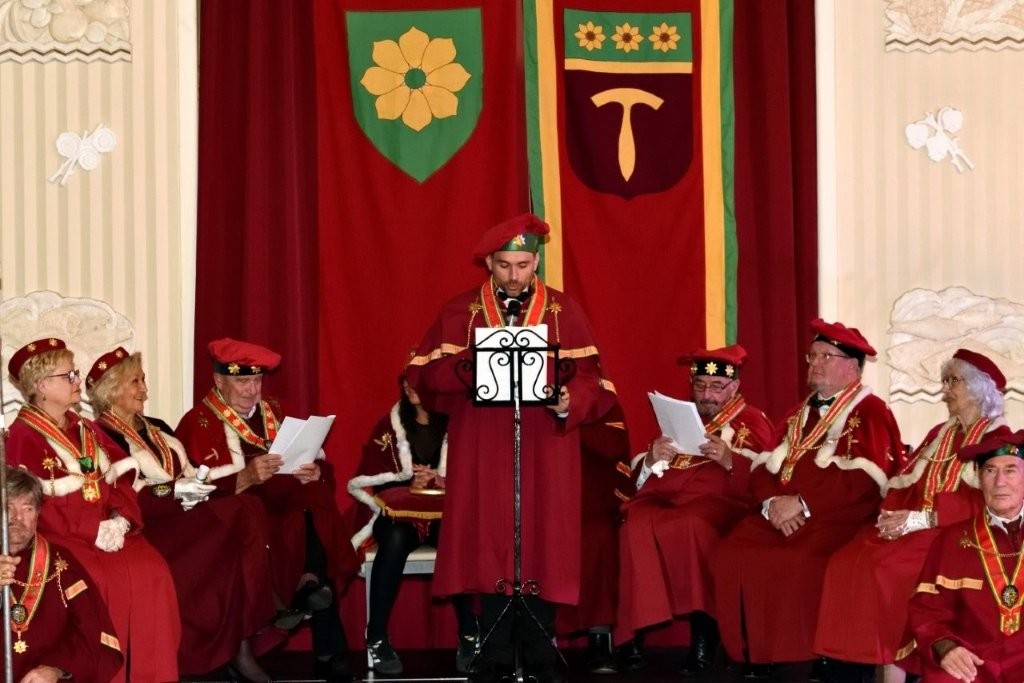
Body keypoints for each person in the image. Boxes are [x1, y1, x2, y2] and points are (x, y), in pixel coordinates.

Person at [405, 213, 616, 682]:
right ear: (489, 264)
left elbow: (595, 383)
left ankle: (541, 651)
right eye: (504, 265)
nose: (514, 276)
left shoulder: (564, 311)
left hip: (547, 445)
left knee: (543, 537)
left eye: (522, 265)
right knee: (489, 537)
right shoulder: (460, 312)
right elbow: (424, 377)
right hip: (483, 445)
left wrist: (570, 400)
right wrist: (473, 362)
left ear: (536, 262)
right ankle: (495, 650)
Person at [709, 319, 905, 675]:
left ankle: (804, 657)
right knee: (731, 551)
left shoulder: (870, 411)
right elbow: (763, 465)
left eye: (825, 357)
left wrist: (802, 504)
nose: (814, 363)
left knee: (798, 560)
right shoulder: (798, 412)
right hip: (780, 514)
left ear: (852, 366)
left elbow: (866, 481)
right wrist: (772, 504)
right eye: (811, 356)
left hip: (837, 518)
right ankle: (754, 651)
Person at [86, 346, 290, 681]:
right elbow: (122, 496)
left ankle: (241, 644)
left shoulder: (156, 426)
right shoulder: (100, 435)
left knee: (245, 512)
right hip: (150, 525)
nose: (145, 390)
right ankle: (266, 603)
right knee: (242, 510)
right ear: (110, 390)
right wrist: (175, 491)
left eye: (143, 380)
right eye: (135, 382)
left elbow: (197, 472)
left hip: (186, 517)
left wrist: (201, 484)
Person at [815, 349, 1011, 683]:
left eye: (953, 382)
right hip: (918, 527)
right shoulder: (941, 433)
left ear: (978, 388)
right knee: (847, 558)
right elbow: (906, 479)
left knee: (886, 568)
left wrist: (922, 519)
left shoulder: (997, 439)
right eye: (944, 381)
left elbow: (993, 503)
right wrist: (892, 514)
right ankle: (851, 660)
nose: (944, 390)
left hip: (961, 534)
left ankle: (898, 665)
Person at [175, 337, 359, 682]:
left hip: (284, 506)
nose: (252, 390)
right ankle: (325, 637)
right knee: (284, 520)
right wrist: (245, 476)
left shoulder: (277, 409)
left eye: (257, 380)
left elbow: (315, 460)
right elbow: (191, 493)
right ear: (218, 380)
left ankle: (309, 584)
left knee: (316, 500)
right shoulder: (197, 423)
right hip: (237, 517)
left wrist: (315, 472)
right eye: (243, 381)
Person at [5, 337, 181, 683]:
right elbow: (26, 507)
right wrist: (90, 529)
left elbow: (123, 477)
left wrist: (120, 519)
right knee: (100, 580)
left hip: (107, 530)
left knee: (153, 571)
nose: (77, 380)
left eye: (75, 373)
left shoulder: (86, 428)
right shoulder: (20, 436)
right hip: (61, 536)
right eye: (68, 375)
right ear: (42, 386)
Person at [614, 345, 774, 674]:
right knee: (635, 524)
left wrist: (730, 459)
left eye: (716, 386)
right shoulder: (679, 418)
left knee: (691, 525)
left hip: (720, 505)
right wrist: (652, 457)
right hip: (665, 499)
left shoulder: (752, 421)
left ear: (734, 386)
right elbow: (641, 477)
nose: (707, 395)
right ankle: (632, 635)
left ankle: (704, 636)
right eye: (700, 385)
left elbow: (769, 477)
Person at [347, 375, 478, 675]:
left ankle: (470, 633)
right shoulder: (389, 426)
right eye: (406, 384)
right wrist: (408, 482)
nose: (410, 388)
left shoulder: (458, 423)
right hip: (399, 517)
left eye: (416, 382)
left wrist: (442, 480)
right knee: (394, 538)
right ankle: (376, 635)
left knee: (455, 538)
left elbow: (475, 472)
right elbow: (374, 481)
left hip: (445, 516)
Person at [903, 430, 1024, 682]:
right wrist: (947, 647)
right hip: (973, 660)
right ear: (979, 480)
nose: (1000, 482)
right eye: (990, 471)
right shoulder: (951, 540)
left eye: (1010, 470)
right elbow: (927, 609)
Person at [0, 466, 124, 682]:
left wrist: (57, 668)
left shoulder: (62, 563)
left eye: (27, 508)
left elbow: (93, 634)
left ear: (38, 514)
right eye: (8, 507)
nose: (17, 517)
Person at [555, 399, 632, 675]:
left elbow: (612, 445)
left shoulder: (601, 399)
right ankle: (538, 638)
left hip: (592, 502)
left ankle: (599, 639)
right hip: (545, 501)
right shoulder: (528, 399)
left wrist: (569, 417)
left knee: (599, 539)